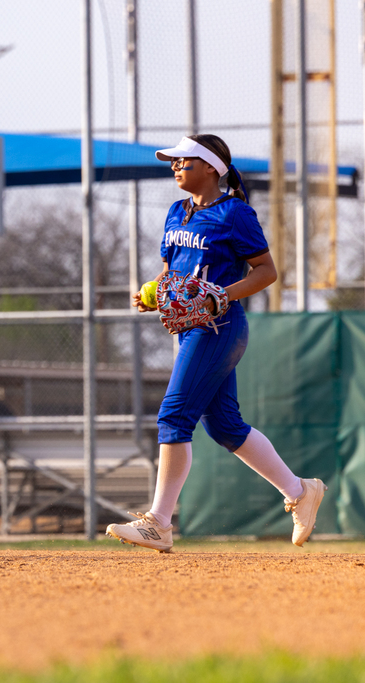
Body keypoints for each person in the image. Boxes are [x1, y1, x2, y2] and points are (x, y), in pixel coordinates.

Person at [106, 134, 326, 553]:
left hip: (220, 327)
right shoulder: (177, 212)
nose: (175, 167)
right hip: (192, 329)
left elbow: (266, 271)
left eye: (183, 161)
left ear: (211, 167)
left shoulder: (234, 214)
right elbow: (173, 270)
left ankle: (159, 523)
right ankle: (300, 491)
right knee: (224, 426)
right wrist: (155, 292)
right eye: (172, 162)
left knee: (173, 415)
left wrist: (219, 295)